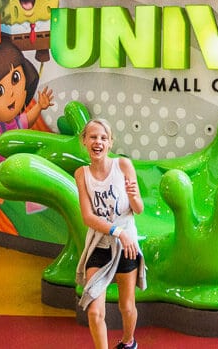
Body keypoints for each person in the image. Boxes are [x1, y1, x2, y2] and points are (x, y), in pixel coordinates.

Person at [75, 119, 145, 349]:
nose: (98, 142)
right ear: (84, 141)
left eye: (103, 138)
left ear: (110, 142)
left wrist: (134, 197)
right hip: (100, 244)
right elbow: (88, 217)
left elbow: (138, 208)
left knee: (126, 306)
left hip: (127, 246)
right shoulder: (81, 174)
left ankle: (128, 341)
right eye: (93, 137)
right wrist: (117, 232)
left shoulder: (123, 165)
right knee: (95, 311)